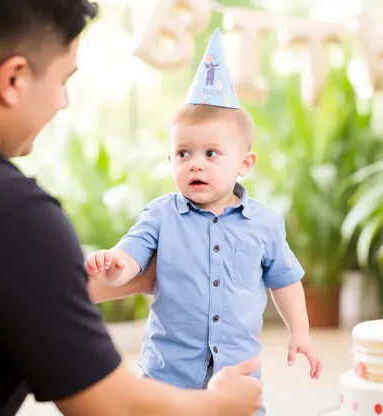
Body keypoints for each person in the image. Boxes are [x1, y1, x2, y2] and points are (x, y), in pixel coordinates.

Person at [0, 1, 263, 415]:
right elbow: (111, 407)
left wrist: (131, 281)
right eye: (63, 80)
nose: (62, 102)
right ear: (13, 78)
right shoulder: (10, 212)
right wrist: (218, 403)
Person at [85, 28, 324, 415]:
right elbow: (132, 253)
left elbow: (285, 279)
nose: (195, 162)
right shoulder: (160, 214)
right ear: (170, 161)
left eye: (212, 153)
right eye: (183, 153)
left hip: (238, 374)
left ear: (244, 163)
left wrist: (301, 331)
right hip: (168, 373)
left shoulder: (264, 223)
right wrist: (115, 267)